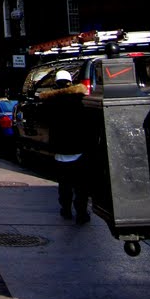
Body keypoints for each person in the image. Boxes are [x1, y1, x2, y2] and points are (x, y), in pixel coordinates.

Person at [39, 69, 91, 224]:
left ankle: (66, 209)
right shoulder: (80, 99)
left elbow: (44, 121)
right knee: (81, 185)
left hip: (60, 149)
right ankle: (81, 212)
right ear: (70, 82)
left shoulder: (50, 102)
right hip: (78, 147)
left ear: (55, 83)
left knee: (64, 183)